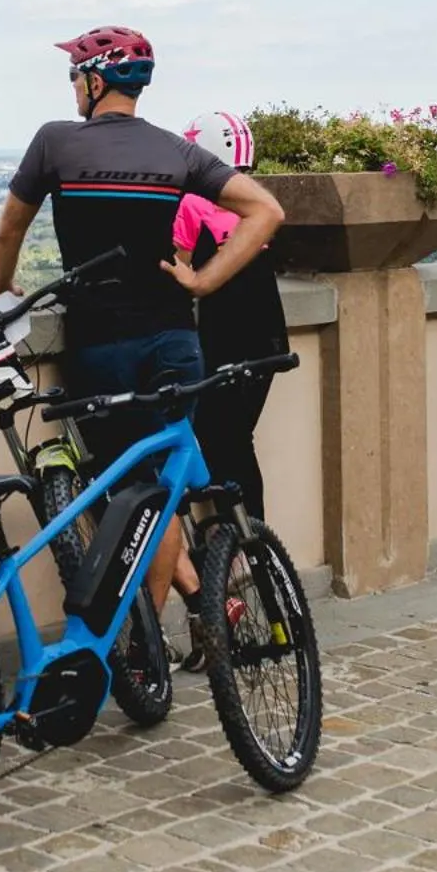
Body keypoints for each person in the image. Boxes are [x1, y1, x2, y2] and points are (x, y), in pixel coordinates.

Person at [0, 30, 284, 613]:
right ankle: (184, 627)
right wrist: (203, 281)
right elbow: (265, 210)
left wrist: (0, 289)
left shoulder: (55, 143)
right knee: (162, 492)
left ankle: (148, 646)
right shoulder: (176, 151)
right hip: (176, 338)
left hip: (103, 341)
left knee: (129, 492)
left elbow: (9, 231)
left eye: (75, 76)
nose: (73, 88)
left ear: (96, 81)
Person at [169, 110, 290, 667]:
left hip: (219, 353)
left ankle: (237, 588)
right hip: (266, 348)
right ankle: (267, 596)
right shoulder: (252, 202)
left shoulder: (193, 205)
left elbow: (175, 273)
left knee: (217, 468)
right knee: (237, 461)